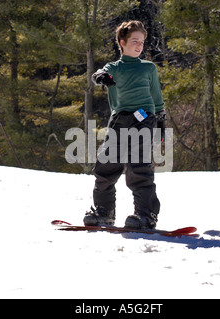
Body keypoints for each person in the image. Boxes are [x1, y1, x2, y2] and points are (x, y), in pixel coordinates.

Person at [83, 20, 166, 230]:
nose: (139, 46)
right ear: (122, 42)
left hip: (144, 119)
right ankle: (104, 212)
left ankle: (145, 215)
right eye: (135, 41)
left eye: (142, 42)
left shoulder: (149, 68)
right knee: (106, 166)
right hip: (120, 120)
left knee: (139, 166)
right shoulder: (114, 68)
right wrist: (100, 77)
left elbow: (156, 97)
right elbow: (100, 74)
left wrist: (161, 121)